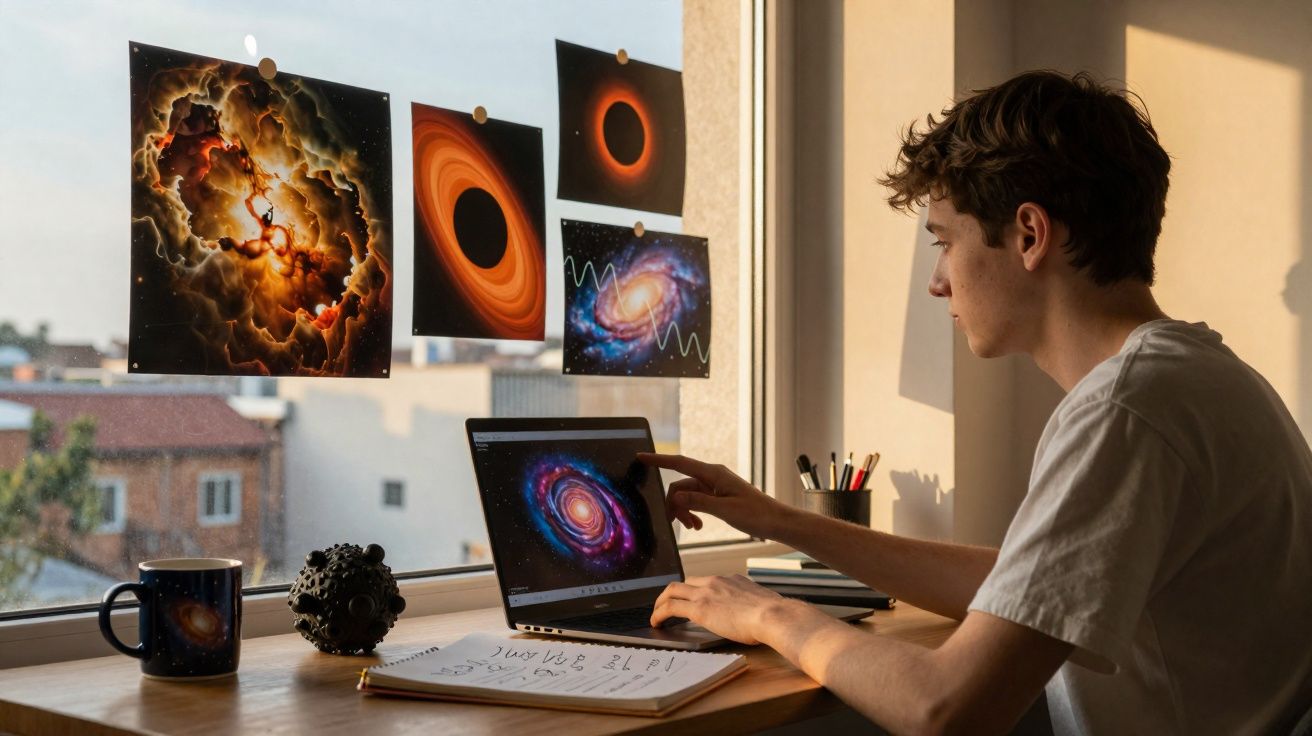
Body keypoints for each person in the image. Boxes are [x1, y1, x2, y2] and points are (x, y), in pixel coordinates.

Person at [640, 70, 1312, 734]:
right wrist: (780, 520)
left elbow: (944, 708)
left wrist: (767, 614)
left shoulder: (1125, 411)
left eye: (944, 242)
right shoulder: (1200, 378)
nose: (937, 282)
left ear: (1030, 235)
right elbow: (1025, 588)